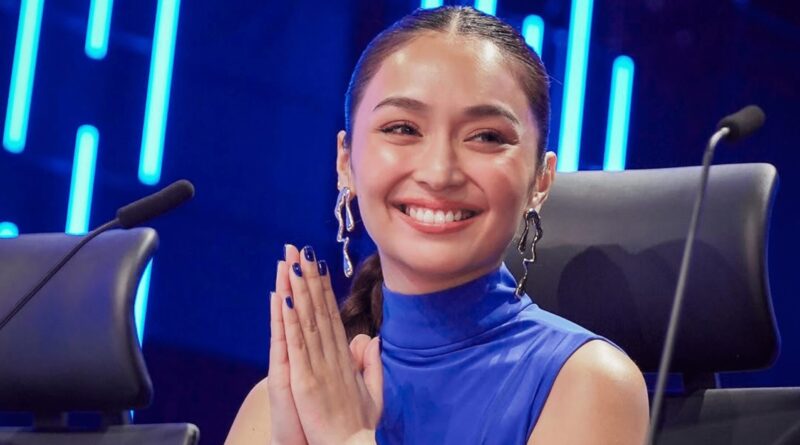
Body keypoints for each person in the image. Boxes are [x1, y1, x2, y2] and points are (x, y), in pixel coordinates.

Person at [227, 5, 648, 444]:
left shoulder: (590, 383)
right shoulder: (283, 402)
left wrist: (348, 438)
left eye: (486, 137)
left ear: (540, 182)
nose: (439, 172)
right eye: (403, 128)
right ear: (345, 162)